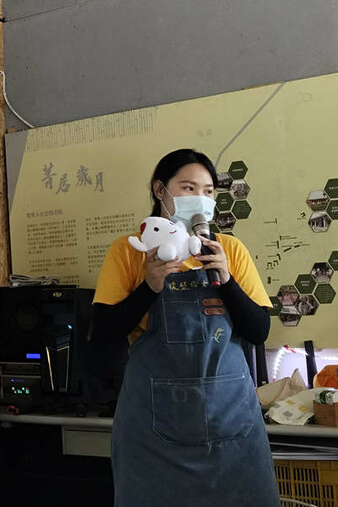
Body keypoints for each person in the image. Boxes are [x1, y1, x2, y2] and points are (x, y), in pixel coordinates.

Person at [92, 149, 279, 507]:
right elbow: (103, 332)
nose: (200, 199)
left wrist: (226, 279)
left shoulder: (229, 249)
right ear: (160, 190)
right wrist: (149, 286)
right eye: (189, 187)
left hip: (231, 425)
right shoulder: (128, 252)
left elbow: (259, 331)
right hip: (154, 428)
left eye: (208, 191)